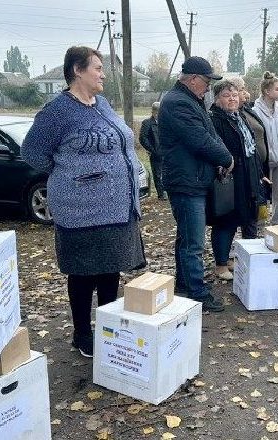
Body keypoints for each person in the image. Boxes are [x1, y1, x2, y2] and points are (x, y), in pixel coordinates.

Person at [21, 46, 146, 357]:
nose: (103, 74)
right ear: (77, 70)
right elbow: (32, 152)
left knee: (110, 271)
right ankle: (82, 334)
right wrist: (72, 173)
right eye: (97, 68)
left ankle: (107, 329)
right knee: (83, 273)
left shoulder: (102, 104)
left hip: (117, 209)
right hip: (81, 211)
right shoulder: (58, 111)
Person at [158, 56, 233, 313]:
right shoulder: (178, 103)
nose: (209, 87)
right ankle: (197, 292)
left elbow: (211, 135)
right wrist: (226, 158)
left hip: (193, 178)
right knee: (193, 243)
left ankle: (184, 284)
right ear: (192, 79)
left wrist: (222, 157)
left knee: (187, 237)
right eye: (206, 82)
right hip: (186, 181)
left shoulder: (190, 100)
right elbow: (200, 139)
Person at [209, 80, 266, 280]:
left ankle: (232, 257)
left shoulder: (239, 116)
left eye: (234, 95)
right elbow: (217, 149)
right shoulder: (215, 119)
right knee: (226, 220)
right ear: (217, 99)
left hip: (248, 175)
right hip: (229, 177)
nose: (232, 99)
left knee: (245, 216)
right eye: (227, 96)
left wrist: (260, 173)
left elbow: (252, 149)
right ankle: (221, 264)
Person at [253, 71, 278, 225]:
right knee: (262, 192)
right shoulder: (255, 111)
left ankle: (277, 219)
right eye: (277, 89)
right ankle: (260, 221)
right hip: (265, 159)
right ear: (267, 91)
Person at [139, 102, 166, 200]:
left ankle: (167, 191)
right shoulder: (147, 123)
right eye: (157, 112)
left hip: (167, 152)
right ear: (153, 112)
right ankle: (161, 194)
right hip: (156, 153)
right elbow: (143, 138)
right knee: (157, 174)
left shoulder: (165, 122)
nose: (159, 114)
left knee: (167, 172)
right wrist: (152, 149)